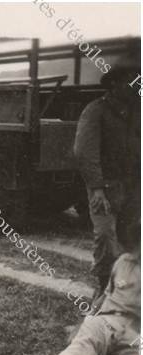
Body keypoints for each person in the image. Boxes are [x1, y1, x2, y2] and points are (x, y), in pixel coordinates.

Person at [25, 221, 141, 355]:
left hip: (136, 333)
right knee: (87, 339)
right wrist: (86, 318)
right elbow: (105, 296)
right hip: (108, 320)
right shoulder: (123, 262)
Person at [73, 52, 141, 296]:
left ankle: (124, 292)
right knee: (105, 239)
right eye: (131, 80)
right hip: (105, 189)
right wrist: (97, 189)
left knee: (131, 240)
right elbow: (85, 153)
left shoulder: (137, 113)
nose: (136, 86)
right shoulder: (96, 111)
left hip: (133, 188)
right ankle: (103, 291)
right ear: (113, 84)